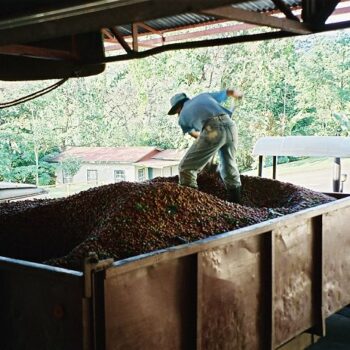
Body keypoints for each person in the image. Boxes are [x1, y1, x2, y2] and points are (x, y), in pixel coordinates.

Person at [168, 89, 243, 203]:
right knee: (229, 166)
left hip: (212, 130)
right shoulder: (203, 96)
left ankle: (191, 205)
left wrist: (210, 140)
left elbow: (196, 135)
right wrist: (238, 95)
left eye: (176, 111)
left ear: (178, 108)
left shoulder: (182, 117)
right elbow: (230, 92)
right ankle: (236, 204)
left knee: (186, 168)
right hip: (230, 126)